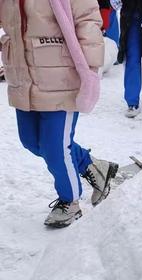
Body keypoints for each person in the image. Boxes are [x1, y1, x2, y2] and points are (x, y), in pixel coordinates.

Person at [0, 0, 118, 228]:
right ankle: (94, 167)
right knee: (31, 141)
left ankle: (70, 201)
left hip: (61, 76)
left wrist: (90, 71)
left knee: (55, 147)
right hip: (24, 79)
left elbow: (87, 21)